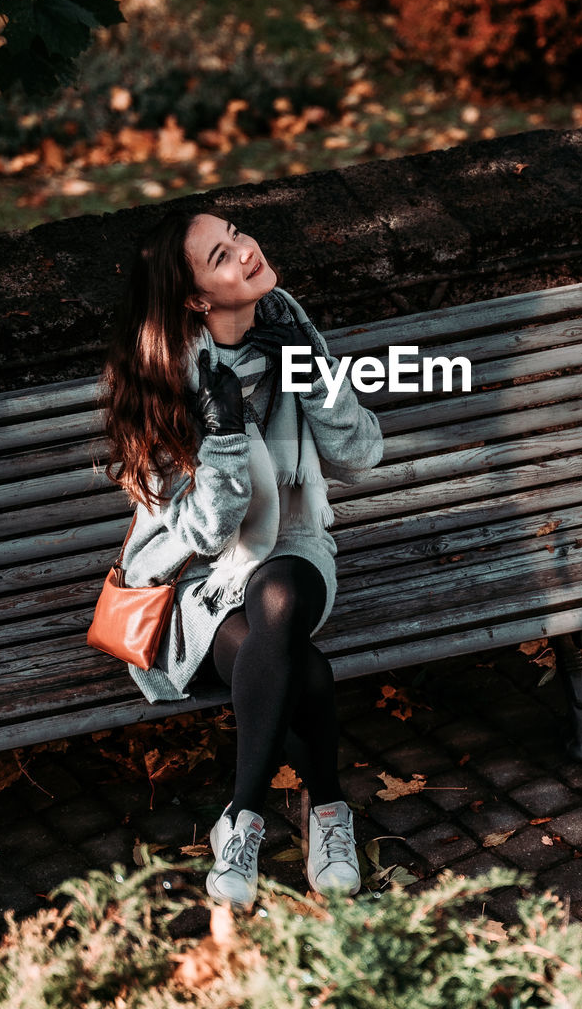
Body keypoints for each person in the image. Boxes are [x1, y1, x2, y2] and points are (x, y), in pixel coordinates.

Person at [101, 204, 384, 911]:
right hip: (197, 582)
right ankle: (328, 812)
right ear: (196, 297)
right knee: (295, 662)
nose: (247, 253)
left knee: (281, 594)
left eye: (239, 237)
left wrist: (317, 373)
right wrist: (223, 436)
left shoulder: (286, 320)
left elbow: (360, 455)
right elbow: (200, 534)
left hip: (293, 545)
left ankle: (242, 821)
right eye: (221, 257)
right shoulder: (164, 373)